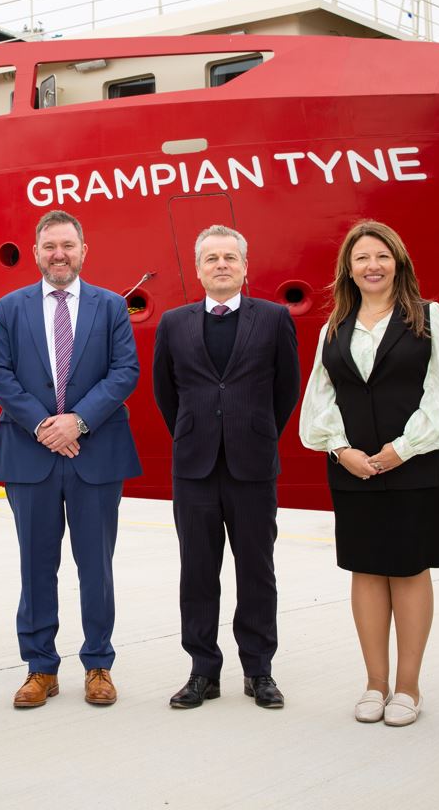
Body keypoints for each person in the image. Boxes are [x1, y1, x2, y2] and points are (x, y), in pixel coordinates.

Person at [299, 219, 439, 727]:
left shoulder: (431, 318)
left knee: (411, 571)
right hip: (353, 469)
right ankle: (375, 683)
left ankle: (408, 688)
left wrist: (403, 448)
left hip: (415, 465)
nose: (372, 266)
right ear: (348, 269)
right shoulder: (334, 326)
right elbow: (320, 397)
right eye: (362, 258)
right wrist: (340, 448)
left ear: (399, 263)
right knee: (366, 571)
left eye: (382, 257)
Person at [0, 210, 140, 708]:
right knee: (36, 565)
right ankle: (40, 668)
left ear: (83, 251)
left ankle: (99, 665)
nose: (59, 254)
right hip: (31, 456)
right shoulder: (10, 307)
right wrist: (44, 426)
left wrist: (78, 421)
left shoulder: (111, 306)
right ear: (36, 253)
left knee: (96, 565)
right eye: (50, 246)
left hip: (96, 453)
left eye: (68, 245)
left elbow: (124, 371)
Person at [153, 225, 300, 709]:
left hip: (253, 465)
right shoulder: (173, 323)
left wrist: (254, 432)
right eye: (211, 258)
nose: (221, 264)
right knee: (197, 571)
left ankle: (259, 671)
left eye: (229, 257)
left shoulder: (275, 319)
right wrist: (196, 431)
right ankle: (203, 671)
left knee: (257, 570)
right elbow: (165, 393)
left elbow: (286, 391)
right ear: (198, 269)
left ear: (244, 266)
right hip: (194, 465)